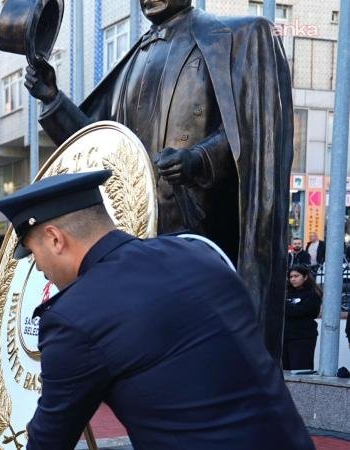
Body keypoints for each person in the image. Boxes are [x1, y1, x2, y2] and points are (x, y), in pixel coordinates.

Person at [21, 0, 292, 358]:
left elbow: (254, 132)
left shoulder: (238, 35)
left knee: (202, 353)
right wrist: (54, 99)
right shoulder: (134, 60)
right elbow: (99, 146)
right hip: (137, 243)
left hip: (201, 245)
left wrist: (198, 159)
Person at [0, 170, 313, 450]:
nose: (38, 267)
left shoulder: (74, 317)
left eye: (33, 253)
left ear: (54, 238)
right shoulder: (198, 253)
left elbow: (49, 439)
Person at [284, 265, 322, 371]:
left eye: (296, 276)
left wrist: (285, 307)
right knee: (284, 371)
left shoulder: (312, 294)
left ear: (305, 277)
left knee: (300, 370)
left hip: (303, 337)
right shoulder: (287, 293)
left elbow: (303, 311)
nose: (293, 279)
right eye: (291, 277)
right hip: (286, 337)